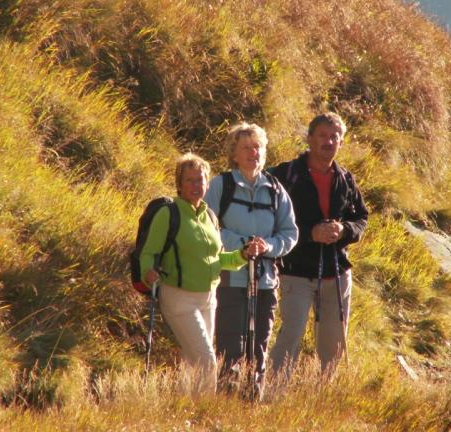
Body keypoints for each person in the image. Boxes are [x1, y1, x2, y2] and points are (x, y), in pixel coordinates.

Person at [141, 153, 266, 395]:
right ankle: (206, 409)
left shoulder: (209, 216)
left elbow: (218, 260)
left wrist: (243, 254)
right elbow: (149, 252)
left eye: (200, 180)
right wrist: (149, 272)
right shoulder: (169, 214)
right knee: (207, 361)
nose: (196, 185)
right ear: (179, 184)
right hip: (178, 298)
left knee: (193, 363)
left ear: (207, 184)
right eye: (189, 180)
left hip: (208, 298)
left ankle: (183, 408)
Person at [269, 112, 368, 379]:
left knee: (334, 342)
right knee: (291, 334)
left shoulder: (345, 178)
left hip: (336, 273)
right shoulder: (285, 175)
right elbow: (270, 220)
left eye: (335, 136)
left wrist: (344, 230)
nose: (329, 141)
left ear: (341, 142)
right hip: (295, 270)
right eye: (323, 135)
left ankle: (325, 392)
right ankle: (273, 391)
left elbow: (361, 218)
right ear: (310, 138)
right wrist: (310, 234)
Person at [205, 123, 298, 399]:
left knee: (258, 347)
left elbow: (290, 233)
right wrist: (243, 245)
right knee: (230, 346)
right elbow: (207, 228)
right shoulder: (221, 185)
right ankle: (226, 402)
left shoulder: (275, 189)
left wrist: (267, 246)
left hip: (265, 281)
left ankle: (252, 403)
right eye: (246, 147)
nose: (252, 152)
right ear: (234, 154)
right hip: (230, 278)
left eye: (257, 147)